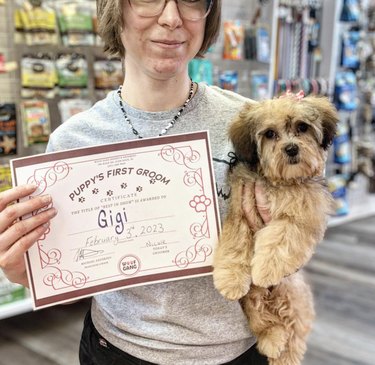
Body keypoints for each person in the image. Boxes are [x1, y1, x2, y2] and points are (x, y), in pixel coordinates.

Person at [0, 0, 271, 364]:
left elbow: (290, 255)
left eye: (191, 0)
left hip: (241, 351)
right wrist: (28, 272)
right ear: (114, 10)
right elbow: (69, 280)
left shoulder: (255, 126)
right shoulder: (72, 142)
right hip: (115, 350)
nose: (172, 17)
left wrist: (286, 234)